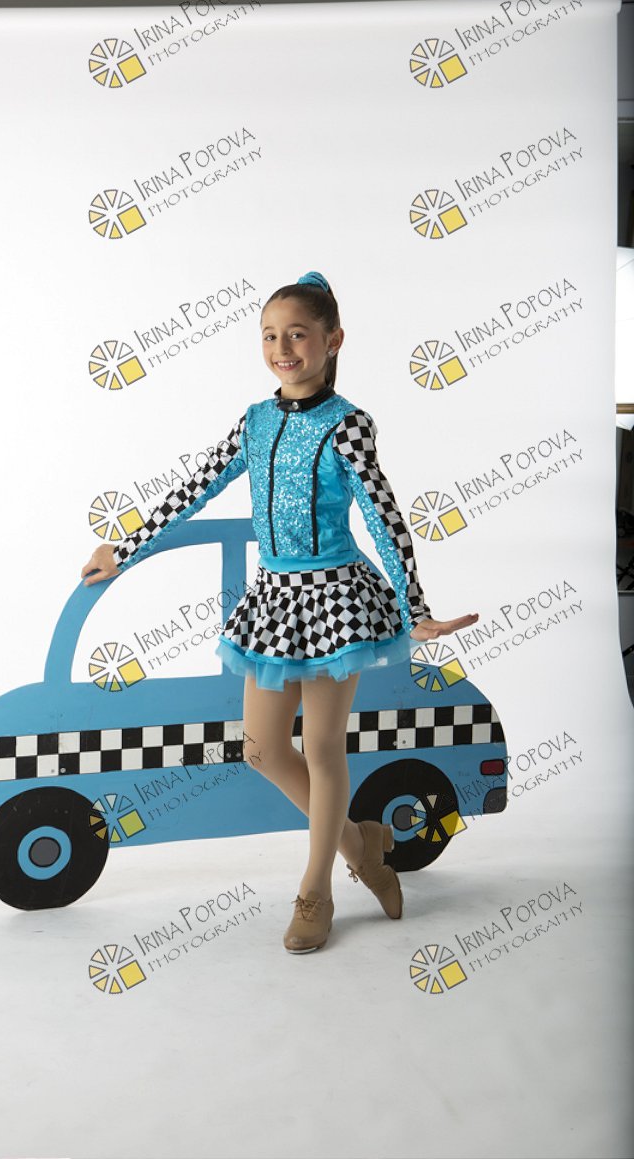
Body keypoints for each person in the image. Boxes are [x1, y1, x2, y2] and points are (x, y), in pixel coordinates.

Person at [82, 271, 478, 955]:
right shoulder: (255, 421)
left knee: (321, 747)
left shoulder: (347, 425)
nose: (282, 348)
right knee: (261, 747)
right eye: (270, 335)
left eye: (297, 334)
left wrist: (414, 606)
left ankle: (316, 890)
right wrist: (125, 548)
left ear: (333, 341)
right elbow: (196, 487)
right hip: (273, 601)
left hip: (335, 602)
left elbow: (384, 516)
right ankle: (364, 846)